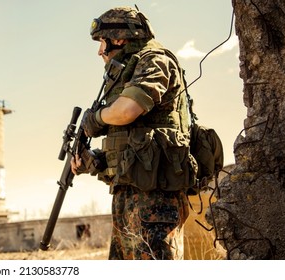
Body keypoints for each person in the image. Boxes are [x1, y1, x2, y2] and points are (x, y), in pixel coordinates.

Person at [71, 6, 195, 260]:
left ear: (118, 38)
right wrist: (94, 161)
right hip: (130, 194)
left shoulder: (155, 60)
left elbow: (126, 111)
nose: (99, 51)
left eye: (101, 42)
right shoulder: (126, 71)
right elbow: (129, 141)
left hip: (156, 197)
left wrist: (95, 119)